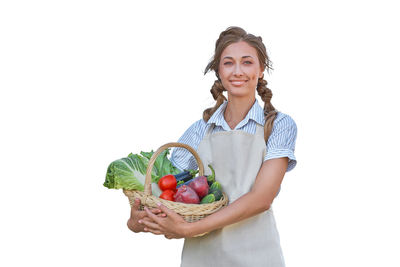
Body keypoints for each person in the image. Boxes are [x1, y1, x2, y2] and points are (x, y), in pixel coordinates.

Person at [127, 26, 297, 267]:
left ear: (261, 71)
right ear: (219, 71)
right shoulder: (199, 129)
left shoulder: (278, 125)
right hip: (202, 257)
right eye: (228, 63)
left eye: (247, 62)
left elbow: (262, 198)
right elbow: (167, 191)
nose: (238, 71)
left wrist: (189, 229)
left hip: (256, 255)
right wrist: (137, 220)